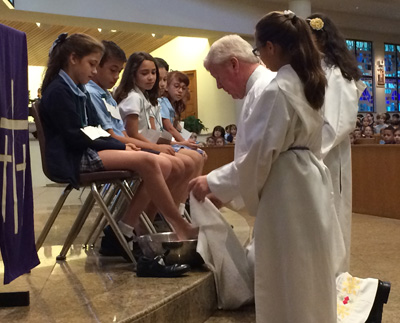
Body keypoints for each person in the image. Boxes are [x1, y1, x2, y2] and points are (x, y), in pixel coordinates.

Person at [189, 11, 344, 321]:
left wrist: (214, 183)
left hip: (286, 187)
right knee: (308, 269)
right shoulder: (308, 82)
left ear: (271, 48)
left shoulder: (276, 90)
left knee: (286, 272)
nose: (259, 57)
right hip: (309, 181)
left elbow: (258, 157)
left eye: (259, 50)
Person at [39, 32, 196, 272]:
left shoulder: (75, 88)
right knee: (149, 160)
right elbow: (77, 136)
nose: (93, 71)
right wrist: (120, 145)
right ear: (72, 59)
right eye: (91, 64)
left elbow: (91, 130)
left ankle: (130, 229)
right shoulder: (60, 90)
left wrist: (120, 145)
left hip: (84, 150)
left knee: (152, 161)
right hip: (74, 158)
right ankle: (173, 224)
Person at [114, 52, 203, 220]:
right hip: (137, 146)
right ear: (133, 74)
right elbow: (132, 133)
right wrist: (158, 147)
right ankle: (152, 216)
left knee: (193, 159)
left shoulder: (146, 98)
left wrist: (168, 145)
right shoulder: (133, 98)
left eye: (153, 73)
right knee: (179, 164)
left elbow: (154, 131)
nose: (151, 78)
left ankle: (176, 208)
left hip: (146, 144)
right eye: (144, 73)